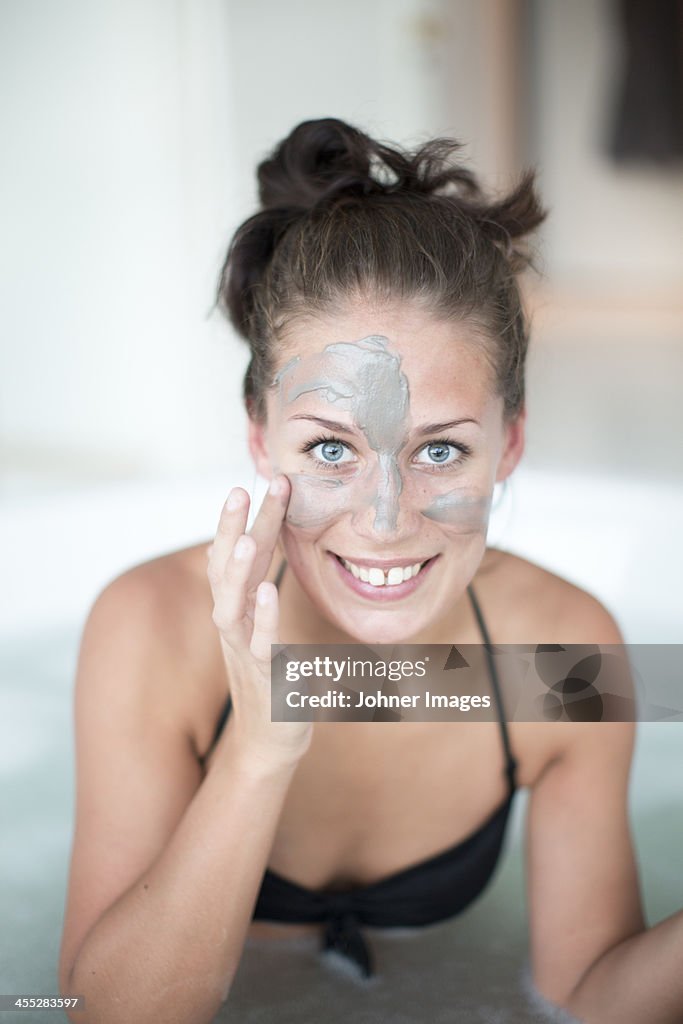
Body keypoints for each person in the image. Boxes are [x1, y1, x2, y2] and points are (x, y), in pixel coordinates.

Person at [58, 119, 682, 1024]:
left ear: (507, 442)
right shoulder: (149, 630)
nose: (384, 521)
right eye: (328, 447)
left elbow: (587, 1002)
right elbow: (94, 1012)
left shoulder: (560, 651)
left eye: (438, 451)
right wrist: (261, 747)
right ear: (257, 435)